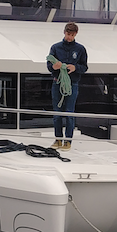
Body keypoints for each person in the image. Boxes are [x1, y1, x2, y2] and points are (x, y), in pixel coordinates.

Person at [47, 22, 88, 150]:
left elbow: (84, 67)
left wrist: (75, 67)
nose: (69, 37)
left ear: (76, 34)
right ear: (64, 32)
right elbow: (49, 65)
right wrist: (55, 66)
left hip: (73, 84)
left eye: (72, 35)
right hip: (57, 82)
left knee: (69, 112)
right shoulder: (55, 47)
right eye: (68, 34)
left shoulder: (80, 49)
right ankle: (58, 139)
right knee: (57, 112)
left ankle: (68, 141)